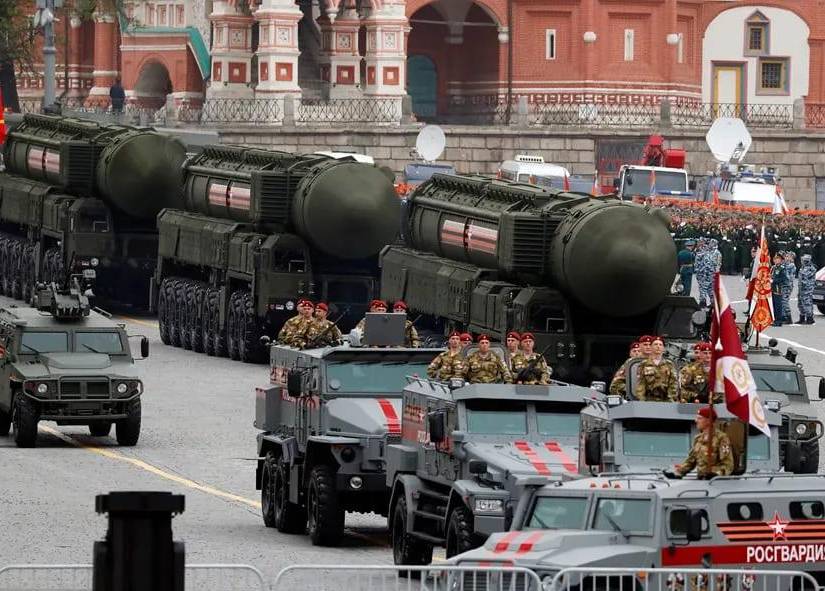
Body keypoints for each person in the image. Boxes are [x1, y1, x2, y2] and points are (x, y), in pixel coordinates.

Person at [666, 407, 734, 479]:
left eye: (699, 418)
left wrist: (716, 474)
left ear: (708, 420)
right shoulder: (698, 438)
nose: (696, 421)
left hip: (715, 482)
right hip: (701, 480)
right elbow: (691, 461)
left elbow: (728, 464)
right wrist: (678, 472)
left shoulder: (721, 438)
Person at [633, 336, 677, 401]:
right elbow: (640, 384)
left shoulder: (669, 364)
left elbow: (673, 384)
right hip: (649, 400)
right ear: (651, 347)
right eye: (655, 344)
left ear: (663, 348)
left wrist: (670, 400)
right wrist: (642, 402)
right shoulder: (643, 364)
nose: (658, 346)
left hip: (666, 400)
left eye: (660, 345)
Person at [797, 254, 817, 324]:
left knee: (807, 303)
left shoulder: (811, 268)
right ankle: (802, 318)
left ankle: (810, 318)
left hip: (807, 289)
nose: (801, 261)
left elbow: (805, 276)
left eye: (803, 260)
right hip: (801, 288)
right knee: (800, 303)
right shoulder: (803, 267)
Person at [771, 252, 789, 327]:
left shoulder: (782, 268)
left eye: (777, 259)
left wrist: (774, 281)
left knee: (778, 305)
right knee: (774, 305)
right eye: (775, 259)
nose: (776, 260)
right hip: (772, 288)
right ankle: (775, 319)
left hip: (778, 289)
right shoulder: (773, 267)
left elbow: (784, 279)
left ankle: (779, 321)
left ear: (781, 260)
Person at [783, 251, 797, 324]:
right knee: (783, 301)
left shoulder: (791, 265)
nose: (786, 257)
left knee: (785, 301)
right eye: (786, 256)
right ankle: (784, 316)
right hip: (785, 285)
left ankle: (789, 318)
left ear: (791, 258)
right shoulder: (787, 264)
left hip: (788, 285)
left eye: (788, 256)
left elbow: (784, 270)